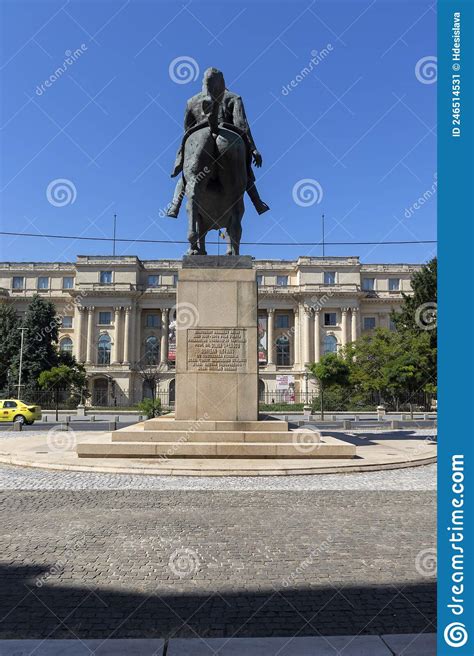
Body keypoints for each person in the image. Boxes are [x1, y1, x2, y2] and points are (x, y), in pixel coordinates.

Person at [166, 67, 270, 218]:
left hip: (198, 134)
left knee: (186, 176)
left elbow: (187, 129)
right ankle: (258, 203)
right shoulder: (234, 97)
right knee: (244, 174)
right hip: (227, 135)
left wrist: (184, 151)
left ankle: (175, 205)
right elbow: (242, 125)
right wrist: (253, 149)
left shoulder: (191, 101)